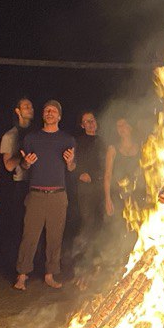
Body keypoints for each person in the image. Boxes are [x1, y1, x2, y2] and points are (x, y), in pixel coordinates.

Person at [15, 99, 76, 290]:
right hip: (36, 194)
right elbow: (24, 166)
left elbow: (72, 168)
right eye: (47, 110)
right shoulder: (32, 138)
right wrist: (26, 163)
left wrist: (70, 163)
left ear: (59, 116)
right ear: (43, 115)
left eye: (53, 111)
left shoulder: (68, 140)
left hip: (58, 195)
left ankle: (50, 275)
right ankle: (22, 275)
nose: (50, 113)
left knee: (55, 237)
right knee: (29, 236)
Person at [0, 96, 34, 267]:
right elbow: (8, 166)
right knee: (19, 226)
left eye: (31, 106)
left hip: (37, 185)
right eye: (26, 106)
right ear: (17, 111)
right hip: (19, 185)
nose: (30, 109)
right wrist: (22, 155)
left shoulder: (37, 134)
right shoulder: (10, 136)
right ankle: (15, 264)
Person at [72, 111, 108, 270]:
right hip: (85, 188)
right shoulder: (78, 142)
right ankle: (81, 261)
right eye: (86, 121)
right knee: (87, 222)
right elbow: (73, 163)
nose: (90, 123)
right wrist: (80, 173)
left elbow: (107, 165)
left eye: (92, 120)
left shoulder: (103, 141)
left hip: (101, 187)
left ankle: (98, 259)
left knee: (101, 223)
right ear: (82, 125)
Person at [105, 116, 143, 263]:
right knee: (120, 230)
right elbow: (107, 175)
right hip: (118, 196)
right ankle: (118, 263)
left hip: (138, 195)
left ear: (130, 127)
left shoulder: (141, 147)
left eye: (124, 124)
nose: (121, 128)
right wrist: (108, 199)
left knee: (138, 228)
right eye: (118, 126)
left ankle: (136, 259)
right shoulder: (113, 149)